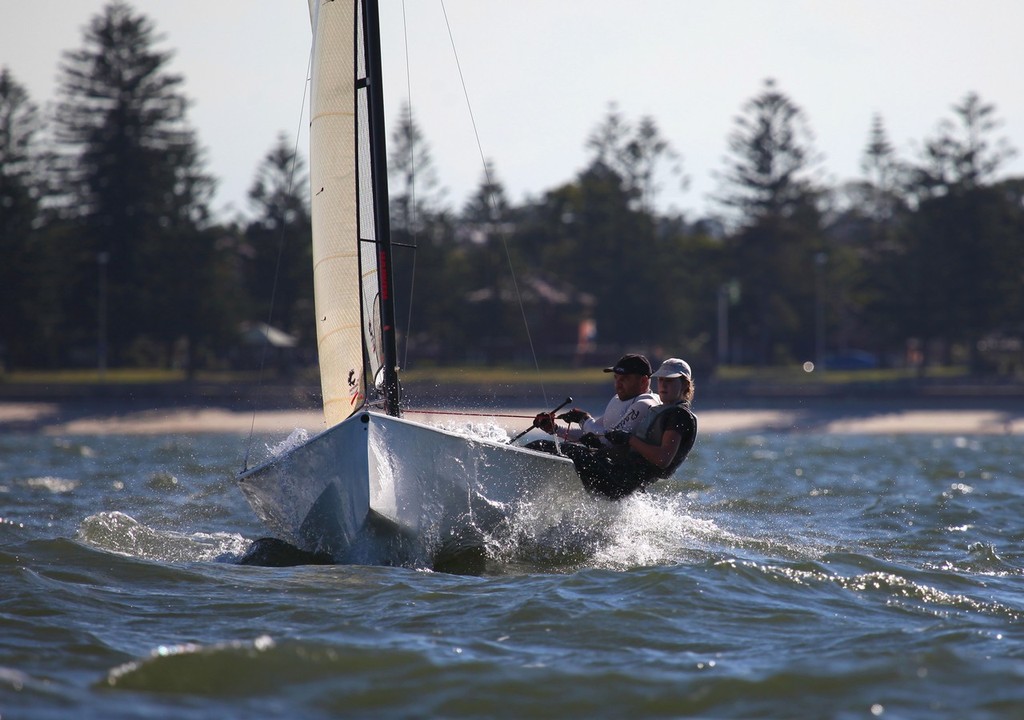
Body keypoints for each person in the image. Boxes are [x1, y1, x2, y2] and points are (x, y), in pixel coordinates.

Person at [529, 356, 698, 500]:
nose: (663, 385)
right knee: (562, 449)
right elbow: (602, 435)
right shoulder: (661, 410)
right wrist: (556, 428)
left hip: (620, 480)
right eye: (661, 379)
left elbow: (662, 459)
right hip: (617, 473)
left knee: (546, 448)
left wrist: (626, 439)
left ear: (685, 385)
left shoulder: (678, 415)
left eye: (670, 381)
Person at [532, 353, 660, 447]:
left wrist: (583, 419)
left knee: (541, 446)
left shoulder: (645, 404)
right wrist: (555, 428)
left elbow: (609, 438)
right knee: (541, 446)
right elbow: (590, 432)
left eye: (624, 379)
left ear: (643, 381)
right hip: (607, 463)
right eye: (616, 378)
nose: (618, 384)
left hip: (622, 472)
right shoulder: (619, 399)